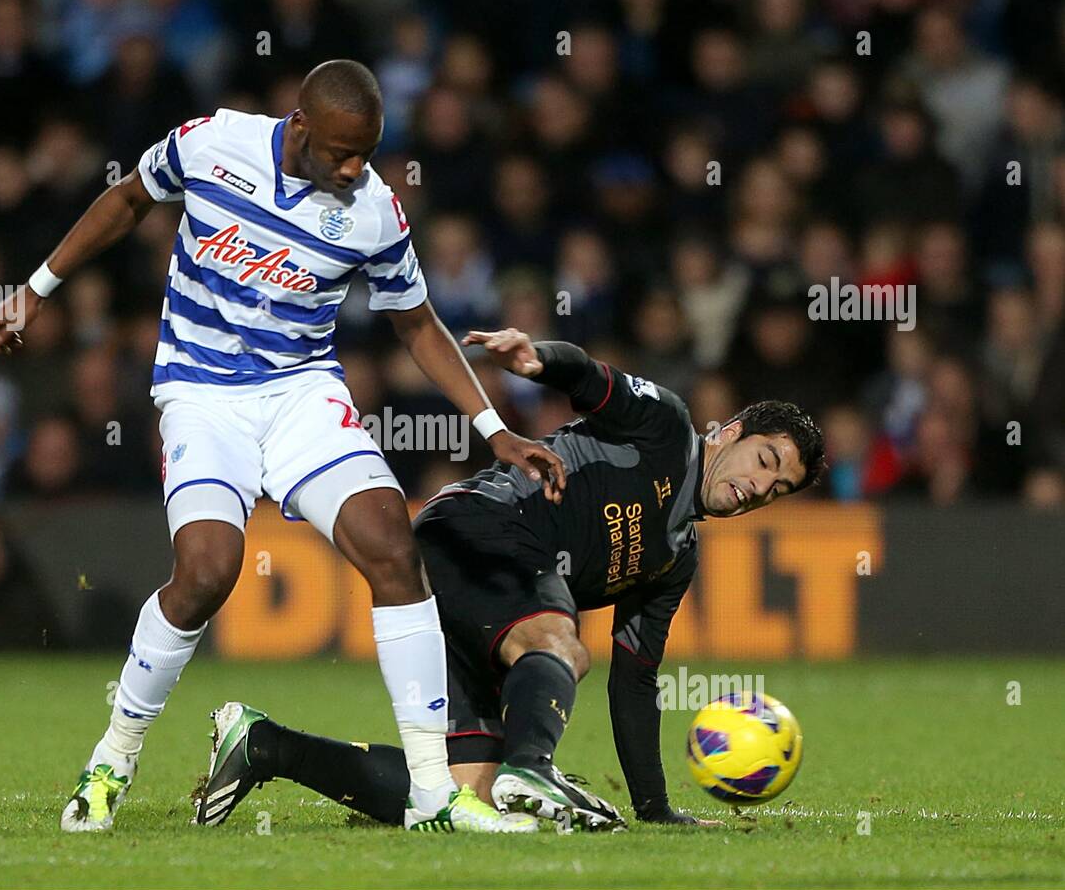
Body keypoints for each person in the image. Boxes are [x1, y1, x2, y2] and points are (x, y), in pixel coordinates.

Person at [0, 61, 563, 834]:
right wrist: (37, 286)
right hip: (201, 395)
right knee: (208, 571)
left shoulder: (374, 212)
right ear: (302, 127)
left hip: (299, 393)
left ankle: (435, 792)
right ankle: (112, 758)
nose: (356, 168)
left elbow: (416, 323)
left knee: (393, 544)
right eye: (344, 153)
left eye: (369, 152)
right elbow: (128, 199)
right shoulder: (213, 144)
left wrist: (495, 429)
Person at [196, 327, 825, 831]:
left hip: (482, 591)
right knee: (558, 642)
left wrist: (654, 808)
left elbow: (635, 682)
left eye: (778, 489)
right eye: (765, 461)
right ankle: (533, 767)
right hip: (482, 526)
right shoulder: (667, 429)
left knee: (460, 794)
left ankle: (265, 745)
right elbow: (591, 378)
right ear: (731, 432)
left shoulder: (676, 558)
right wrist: (536, 359)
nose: (759, 487)